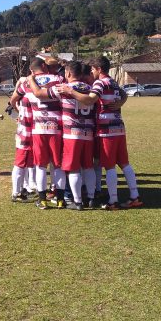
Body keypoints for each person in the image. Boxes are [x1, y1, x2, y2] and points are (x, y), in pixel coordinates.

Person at [61, 56, 142, 210]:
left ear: (98, 69)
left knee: (110, 166)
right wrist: (121, 102)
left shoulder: (100, 82)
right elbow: (123, 94)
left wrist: (70, 91)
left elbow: (90, 100)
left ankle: (113, 201)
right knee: (125, 164)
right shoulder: (113, 81)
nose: (91, 72)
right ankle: (134, 196)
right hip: (119, 128)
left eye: (92, 69)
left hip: (106, 131)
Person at [29, 61, 95, 210]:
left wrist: (31, 79)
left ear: (69, 74)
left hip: (69, 133)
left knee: (70, 168)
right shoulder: (90, 88)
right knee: (88, 166)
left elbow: (39, 94)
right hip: (88, 133)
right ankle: (90, 198)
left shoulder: (64, 88)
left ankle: (76, 202)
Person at [16, 58, 64, 209]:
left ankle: (42, 200)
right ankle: (60, 199)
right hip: (56, 127)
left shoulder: (27, 82)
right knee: (58, 165)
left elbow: (14, 98)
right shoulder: (58, 78)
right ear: (44, 66)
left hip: (38, 129)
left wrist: (18, 111)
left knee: (40, 166)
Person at [8, 75, 34, 202]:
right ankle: (16, 192)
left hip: (27, 131)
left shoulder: (24, 94)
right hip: (26, 133)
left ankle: (25, 188)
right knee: (20, 163)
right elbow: (13, 102)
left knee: (28, 163)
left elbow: (13, 102)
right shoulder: (30, 92)